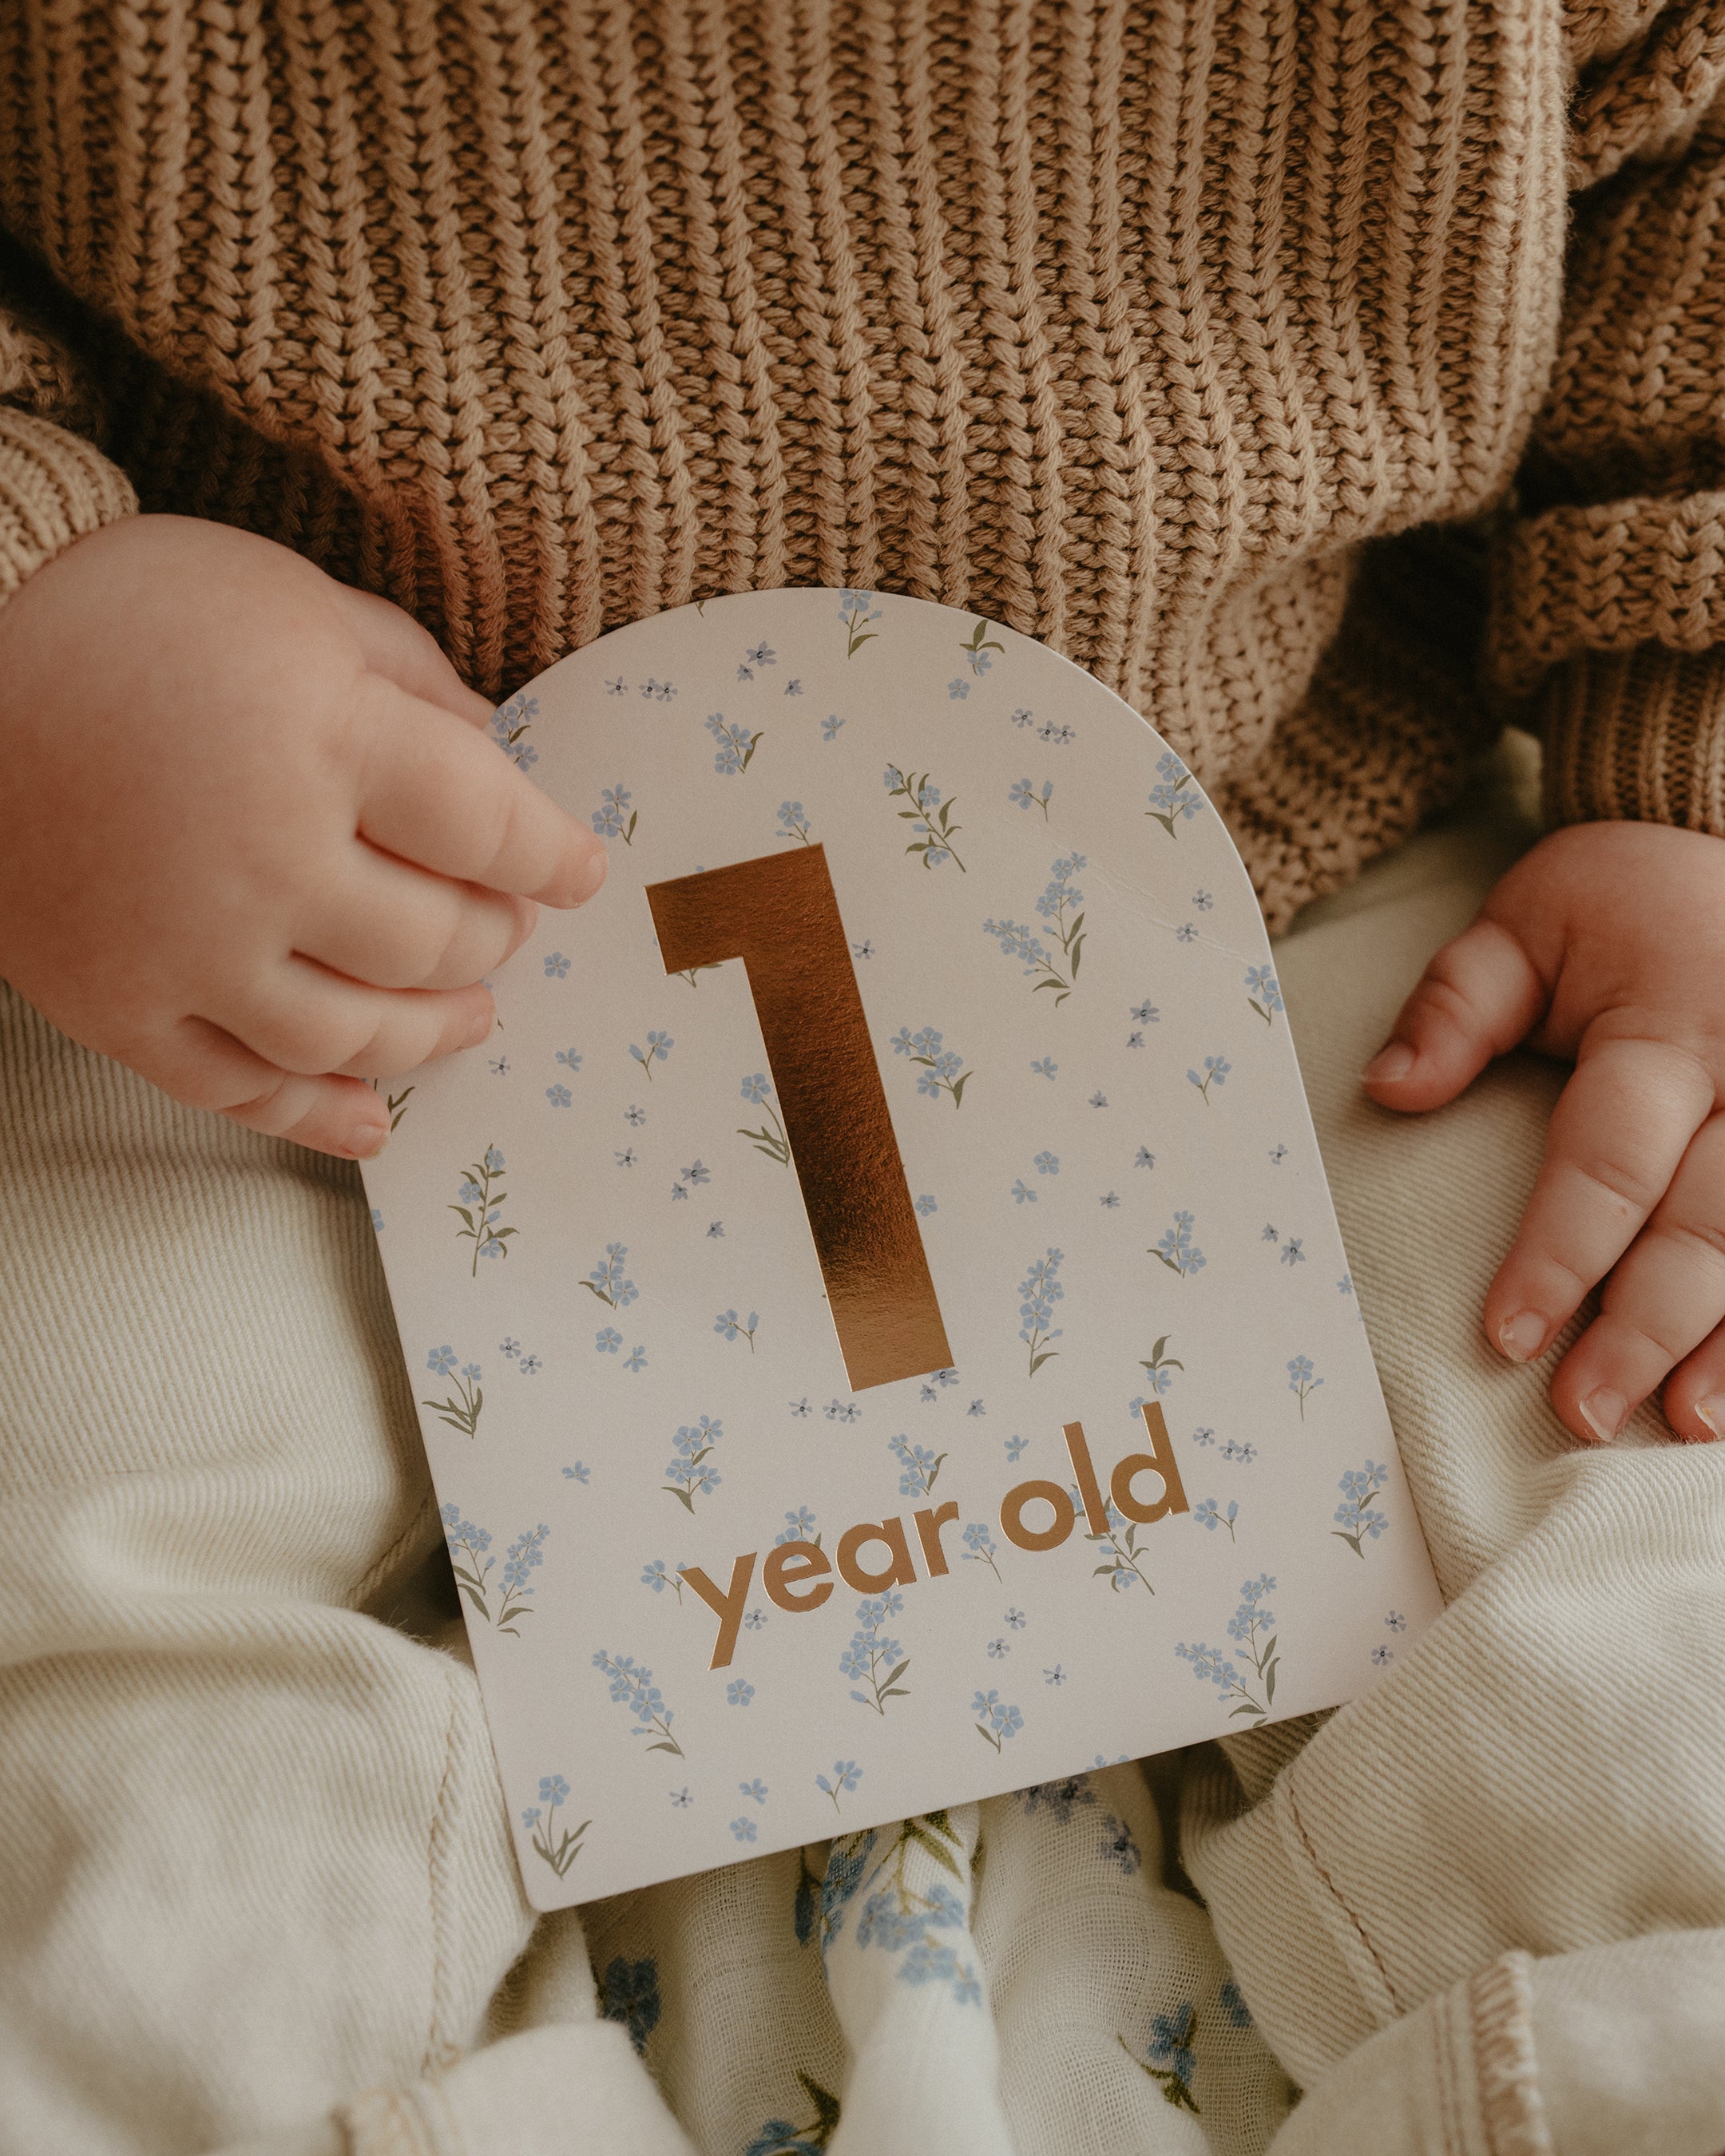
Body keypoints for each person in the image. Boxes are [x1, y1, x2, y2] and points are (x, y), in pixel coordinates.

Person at [0, 2, 1721, 2149]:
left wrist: (1683, 772)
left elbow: (1691, 171)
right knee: (101, 1615)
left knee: (1630, 1550)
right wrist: (38, 607)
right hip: (273, 951)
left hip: (1270, 845)